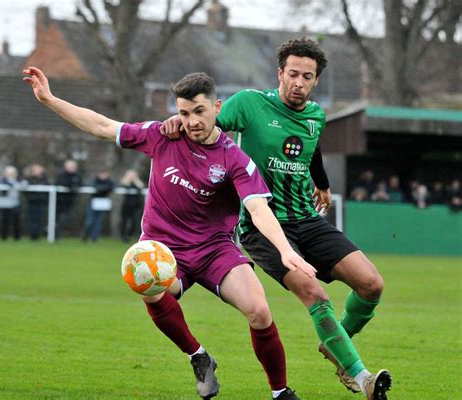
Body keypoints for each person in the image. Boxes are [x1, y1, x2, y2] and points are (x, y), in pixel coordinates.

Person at [24, 66, 318, 400]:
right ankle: (198, 356)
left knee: (259, 310)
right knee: (147, 283)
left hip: (213, 249)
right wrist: (48, 99)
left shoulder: (235, 159)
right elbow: (104, 126)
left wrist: (286, 250)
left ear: (217, 108)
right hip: (163, 248)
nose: (192, 121)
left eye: (199, 111)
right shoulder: (162, 136)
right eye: (184, 112)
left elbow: (258, 208)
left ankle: (280, 392)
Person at [162, 37, 392, 399]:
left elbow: (310, 149)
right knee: (315, 294)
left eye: (307, 76)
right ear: (280, 73)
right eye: (293, 74)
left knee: (372, 284)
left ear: (316, 81)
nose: (299, 82)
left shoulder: (316, 115)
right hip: (262, 225)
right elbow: (204, 123)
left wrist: (323, 184)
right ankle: (361, 376)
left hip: (307, 218)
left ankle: (336, 345)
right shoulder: (250, 104)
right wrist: (180, 119)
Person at [82, 170, 115, 242]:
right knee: (90, 221)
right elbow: (96, 187)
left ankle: (94, 238)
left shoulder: (109, 181)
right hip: (93, 202)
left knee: (98, 221)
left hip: (102, 203)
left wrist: (102, 189)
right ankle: (85, 236)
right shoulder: (95, 180)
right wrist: (104, 189)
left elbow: (112, 187)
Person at [55, 159, 83, 238]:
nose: (72, 168)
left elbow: (80, 184)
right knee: (57, 219)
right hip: (60, 201)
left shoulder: (77, 175)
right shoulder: (61, 175)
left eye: (73, 167)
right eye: (70, 167)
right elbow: (61, 183)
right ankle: (54, 235)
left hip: (71, 201)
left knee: (70, 219)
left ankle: (74, 235)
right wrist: (71, 186)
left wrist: (74, 187)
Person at [0, 165, 22, 240]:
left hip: (15, 202)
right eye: (10, 173)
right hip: (6, 203)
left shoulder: (18, 180)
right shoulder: (4, 180)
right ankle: (4, 236)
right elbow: (3, 188)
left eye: (13, 173)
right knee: (5, 220)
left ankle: (16, 237)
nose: (11, 174)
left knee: (16, 220)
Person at [24, 163, 49, 240]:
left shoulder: (44, 179)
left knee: (40, 220)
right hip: (32, 203)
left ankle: (38, 235)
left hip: (42, 203)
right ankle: (33, 236)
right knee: (33, 220)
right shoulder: (29, 180)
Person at [119, 169, 144, 243]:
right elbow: (125, 187)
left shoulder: (137, 183)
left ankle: (129, 235)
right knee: (124, 221)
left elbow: (140, 188)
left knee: (133, 222)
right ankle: (123, 236)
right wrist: (128, 180)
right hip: (126, 206)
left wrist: (135, 180)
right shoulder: (125, 183)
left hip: (134, 206)